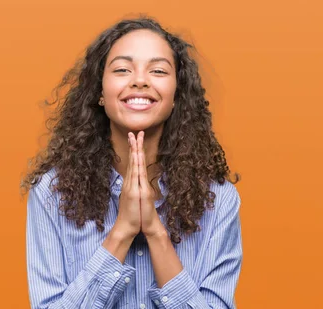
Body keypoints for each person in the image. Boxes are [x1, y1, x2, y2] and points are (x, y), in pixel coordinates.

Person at [21, 17, 242, 309]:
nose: (140, 80)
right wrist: (122, 231)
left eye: (158, 70)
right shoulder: (51, 194)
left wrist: (155, 232)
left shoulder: (219, 200)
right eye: (123, 69)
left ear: (177, 95)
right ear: (100, 92)